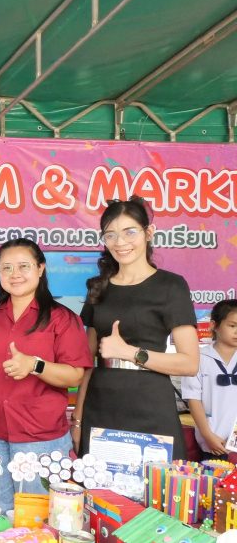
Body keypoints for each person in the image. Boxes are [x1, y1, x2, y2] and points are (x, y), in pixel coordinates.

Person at [0, 238, 92, 512]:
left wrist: (35, 365)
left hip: (40, 436)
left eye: (23, 266)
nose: (14, 274)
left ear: (40, 268)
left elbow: (75, 375)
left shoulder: (61, 318)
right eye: (6, 268)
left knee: (37, 516)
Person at [74, 197, 199, 458]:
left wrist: (130, 353)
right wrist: (78, 418)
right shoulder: (98, 287)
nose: (120, 242)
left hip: (151, 404)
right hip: (101, 405)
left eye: (129, 232)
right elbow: (87, 363)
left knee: (155, 483)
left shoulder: (171, 286)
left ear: (148, 233)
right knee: (100, 483)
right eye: (110, 235)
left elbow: (189, 363)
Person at [183, 299, 237, 462]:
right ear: (214, 325)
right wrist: (207, 435)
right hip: (213, 443)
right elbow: (193, 399)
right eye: (232, 326)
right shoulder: (198, 358)